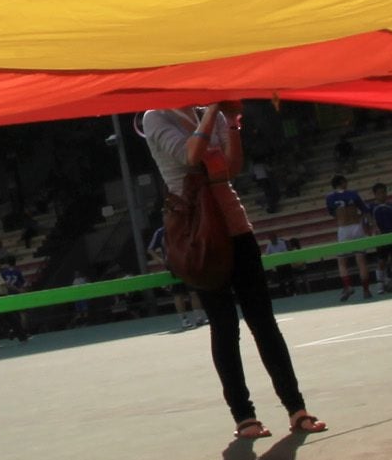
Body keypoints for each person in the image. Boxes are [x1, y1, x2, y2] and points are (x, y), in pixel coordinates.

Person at [140, 105, 330, 439]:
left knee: (264, 322)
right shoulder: (155, 116)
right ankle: (244, 416)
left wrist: (233, 125)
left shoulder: (206, 113)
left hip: (235, 225)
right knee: (225, 326)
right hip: (199, 233)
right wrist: (213, 110)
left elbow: (229, 167)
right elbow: (189, 157)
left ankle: (296, 408)